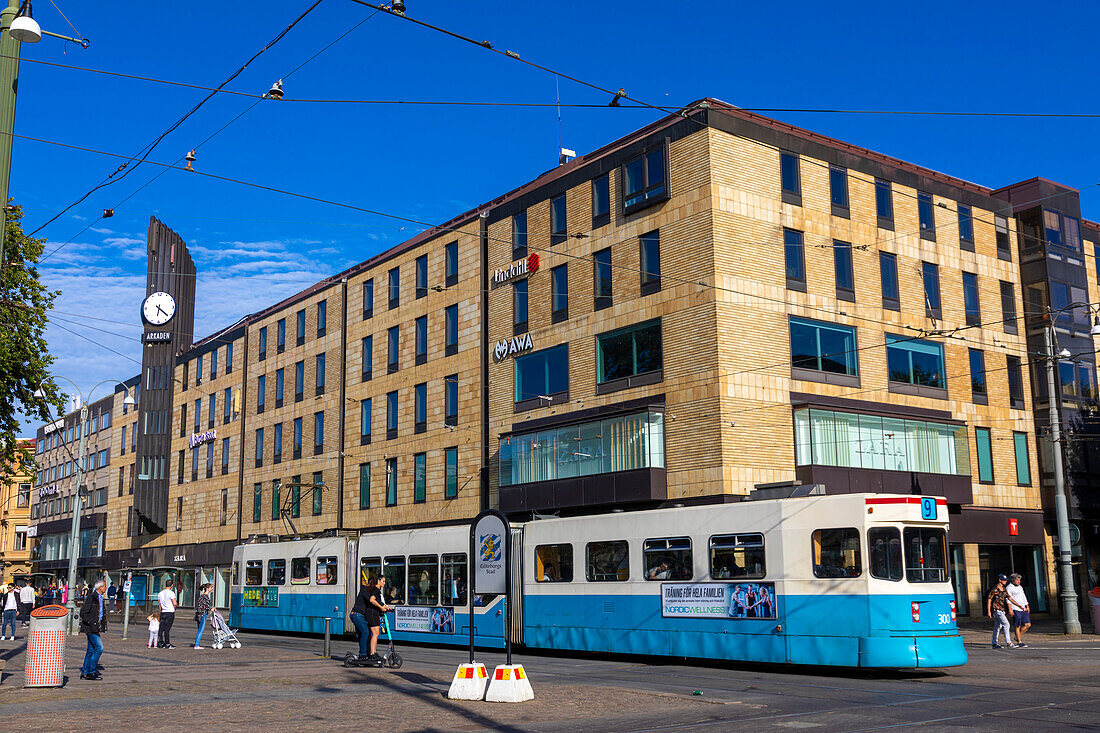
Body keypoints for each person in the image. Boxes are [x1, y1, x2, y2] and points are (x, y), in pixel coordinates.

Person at [79, 580, 107, 680]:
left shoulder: (100, 597)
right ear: (100, 587)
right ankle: (91, 671)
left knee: (90, 650)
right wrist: (92, 622)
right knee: (99, 648)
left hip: (95, 627)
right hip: (91, 627)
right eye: (104, 586)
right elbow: (83, 612)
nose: (106, 588)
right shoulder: (92, 597)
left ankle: (85, 672)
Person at [364, 575, 393, 660]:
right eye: (383, 581)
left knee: (375, 634)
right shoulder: (376, 590)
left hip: (374, 613)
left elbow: (378, 602)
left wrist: (385, 607)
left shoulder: (377, 590)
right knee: (375, 633)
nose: (384, 583)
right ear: (379, 581)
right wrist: (381, 607)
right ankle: (372, 653)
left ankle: (373, 652)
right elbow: (372, 600)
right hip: (372, 613)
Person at [986, 573, 1014, 649]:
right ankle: (1008, 642)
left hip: (1002, 610)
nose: (1005, 581)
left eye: (1006, 580)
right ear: (1000, 580)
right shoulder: (995, 589)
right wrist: (989, 611)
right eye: (1004, 580)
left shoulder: (1004, 589)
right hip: (997, 610)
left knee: (997, 627)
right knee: (1006, 624)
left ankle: (994, 643)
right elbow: (989, 600)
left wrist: (1019, 605)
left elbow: (1010, 598)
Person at [1006, 573, 1031, 648]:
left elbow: (1023, 596)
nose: (1019, 581)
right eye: (1017, 580)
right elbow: (1008, 599)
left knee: (1028, 624)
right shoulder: (1009, 588)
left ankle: (1017, 637)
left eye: (1019, 580)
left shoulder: (1020, 587)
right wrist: (1010, 609)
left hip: (1023, 608)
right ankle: (1019, 641)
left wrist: (1027, 605)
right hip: (1015, 609)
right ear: (1013, 580)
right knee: (1018, 625)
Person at [157, 579, 177, 649]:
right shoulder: (171, 593)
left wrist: (161, 610)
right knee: (167, 629)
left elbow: (159, 604)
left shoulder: (160, 593)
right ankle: (167, 643)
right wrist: (174, 608)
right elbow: (174, 603)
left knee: (161, 628)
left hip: (163, 612)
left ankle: (160, 642)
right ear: (171, 585)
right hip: (170, 612)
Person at [194, 583, 213, 649]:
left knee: (199, 629)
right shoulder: (206, 596)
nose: (212, 589)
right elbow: (207, 607)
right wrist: (211, 609)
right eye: (211, 587)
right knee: (201, 630)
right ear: (207, 589)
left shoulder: (201, 596)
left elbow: (199, 605)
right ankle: (196, 645)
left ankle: (197, 644)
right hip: (203, 614)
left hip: (198, 614)